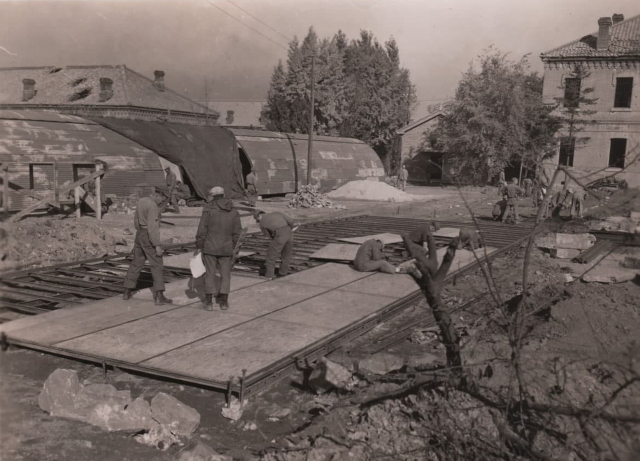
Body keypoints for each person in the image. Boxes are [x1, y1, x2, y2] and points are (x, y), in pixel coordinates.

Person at [123, 186, 172, 305]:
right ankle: (159, 296)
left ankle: (127, 291)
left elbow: (136, 220)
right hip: (148, 236)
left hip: (139, 235)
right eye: (163, 199)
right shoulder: (153, 206)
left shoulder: (142, 201)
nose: (163, 201)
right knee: (157, 265)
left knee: (136, 263)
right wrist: (157, 245)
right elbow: (153, 228)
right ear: (158, 195)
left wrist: (140, 233)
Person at [195, 186, 241, 311]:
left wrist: (199, 245)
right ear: (223, 194)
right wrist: (234, 248)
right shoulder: (234, 211)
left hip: (210, 247)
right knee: (225, 275)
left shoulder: (208, 210)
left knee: (209, 274)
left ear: (212, 195)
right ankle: (224, 302)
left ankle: (209, 303)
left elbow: (202, 230)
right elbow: (237, 233)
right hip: (226, 248)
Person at [254, 210, 296, 278]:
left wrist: (277, 237)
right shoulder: (277, 213)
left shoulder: (262, 223)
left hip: (279, 235)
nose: (258, 221)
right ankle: (283, 273)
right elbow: (291, 221)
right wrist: (288, 230)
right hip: (290, 234)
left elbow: (268, 236)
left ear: (259, 216)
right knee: (286, 256)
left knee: (270, 257)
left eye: (257, 219)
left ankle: (269, 275)